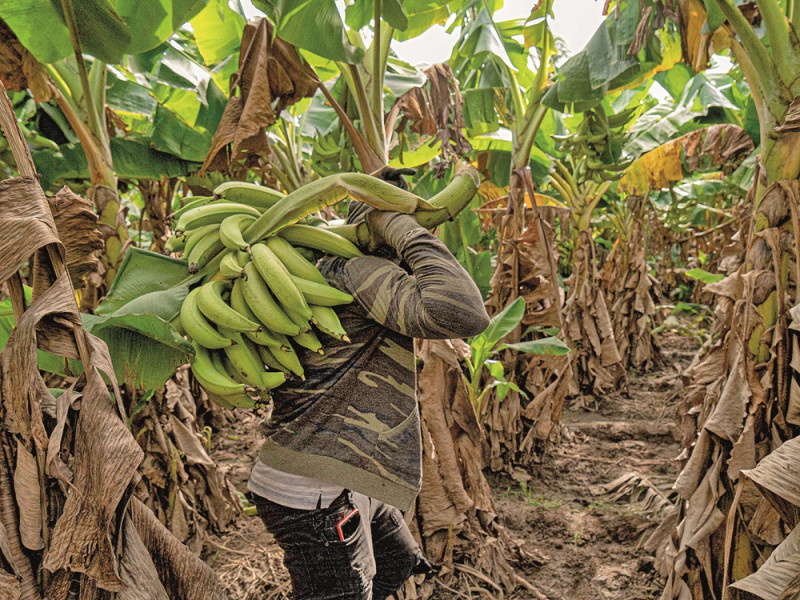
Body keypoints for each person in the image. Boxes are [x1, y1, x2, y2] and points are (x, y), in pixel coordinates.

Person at [248, 168, 490, 600]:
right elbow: (462, 311)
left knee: (397, 561)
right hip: (314, 492)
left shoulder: (323, 270)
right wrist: (402, 226)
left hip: (343, 472)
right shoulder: (353, 274)